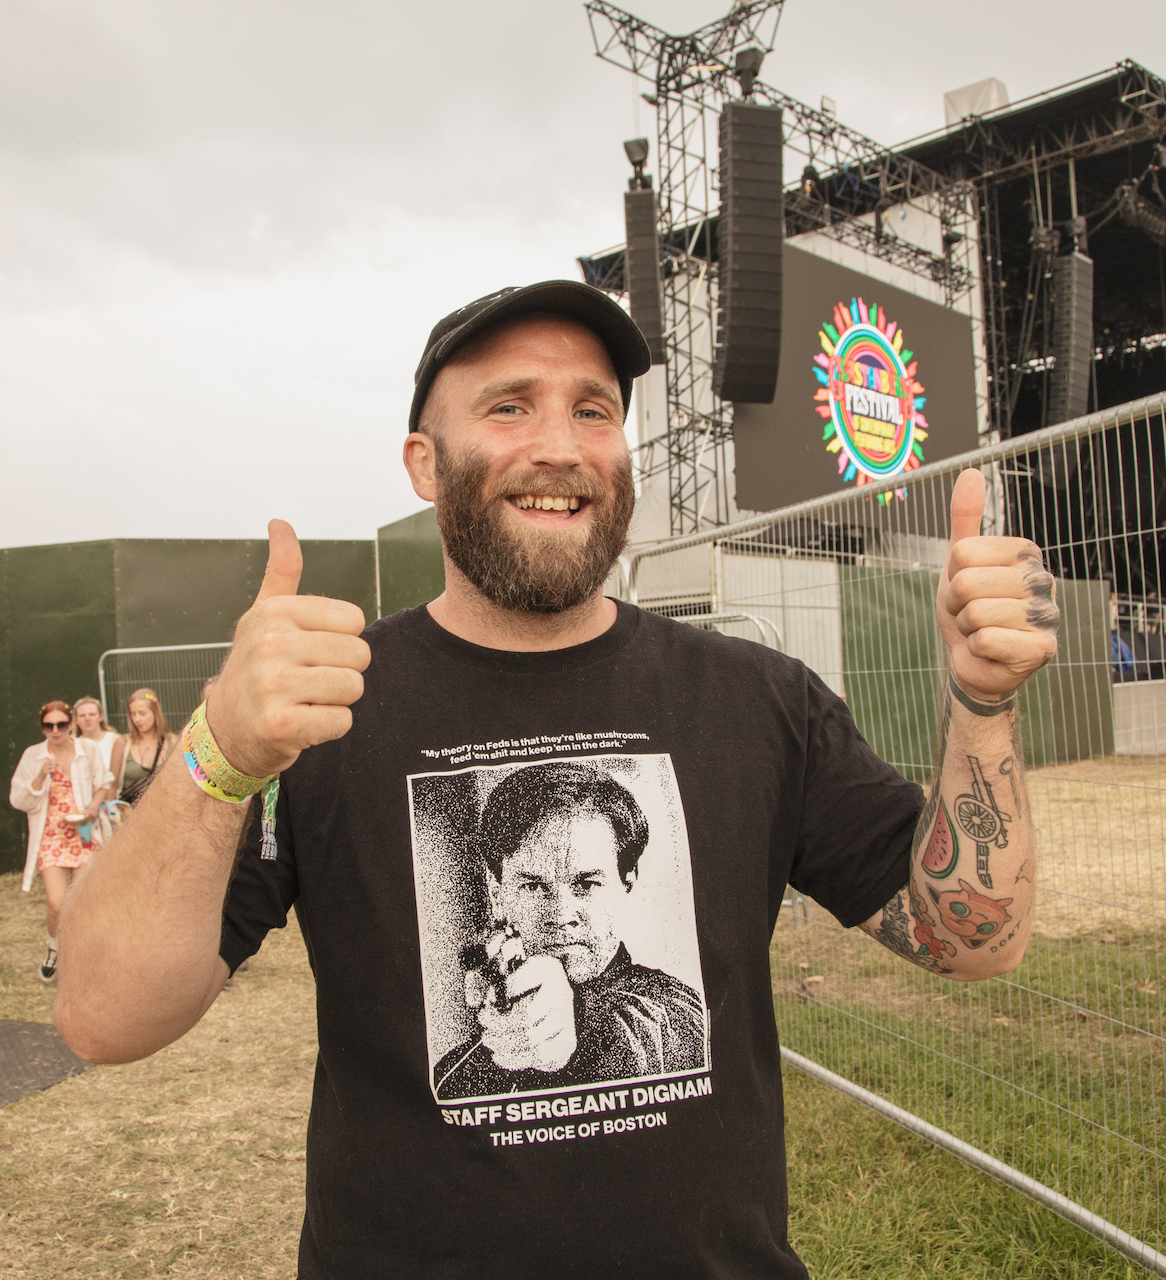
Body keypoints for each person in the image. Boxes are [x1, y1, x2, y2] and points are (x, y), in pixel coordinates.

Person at [56, 280, 1058, 1278]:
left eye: (593, 409)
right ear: (423, 462)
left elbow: (968, 938)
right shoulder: (323, 717)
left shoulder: (757, 701)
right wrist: (219, 756)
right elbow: (103, 1016)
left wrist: (981, 702)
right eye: (508, 406)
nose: (560, 446)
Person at [433, 760, 706, 1101]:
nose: (561, 915)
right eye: (533, 886)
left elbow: (661, 1036)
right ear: (496, 893)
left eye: (587, 884)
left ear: (627, 882)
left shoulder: (677, 1013)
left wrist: (575, 1020)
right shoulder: (455, 1076)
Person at [9, 700, 112, 981]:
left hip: (84, 832)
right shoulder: (33, 755)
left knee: (83, 901)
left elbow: (103, 783)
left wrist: (91, 809)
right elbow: (18, 799)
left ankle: (81, 958)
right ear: (42, 728)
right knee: (57, 903)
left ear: (71, 724)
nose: (55, 731)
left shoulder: (87, 750)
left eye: (61, 724)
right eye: (48, 726)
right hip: (51, 835)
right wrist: (39, 776)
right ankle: (54, 946)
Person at [118, 688, 174, 804]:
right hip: (131, 810)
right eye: (133, 714)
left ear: (155, 712)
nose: (137, 719)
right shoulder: (123, 743)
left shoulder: (172, 742)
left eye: (142, 713)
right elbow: (112, 785)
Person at [72, 696, 124, 817]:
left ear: (100, 717)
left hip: (111, 806)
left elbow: (115, 780)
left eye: (92, 714)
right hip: (84, 808)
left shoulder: (115, 740)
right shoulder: (73, 744)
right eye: (82, 716)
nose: (87, 719)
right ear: (76, 720)